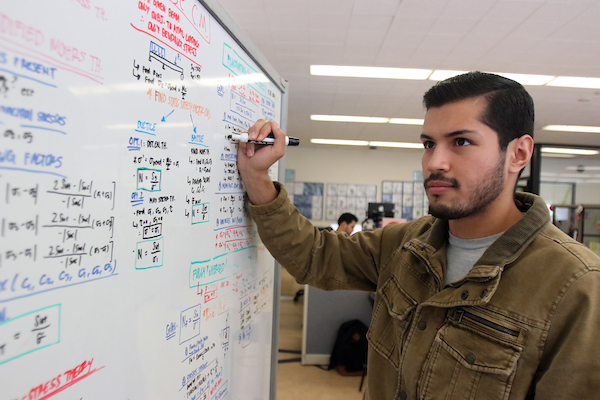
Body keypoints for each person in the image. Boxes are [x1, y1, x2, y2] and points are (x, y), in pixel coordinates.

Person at [237, 72, 600, 399]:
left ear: (518, 153)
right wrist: (257, 178)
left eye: (460, 142)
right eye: (429, 144)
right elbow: (317, 255)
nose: (435, 162)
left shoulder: (575, 286)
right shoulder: (408, 243)